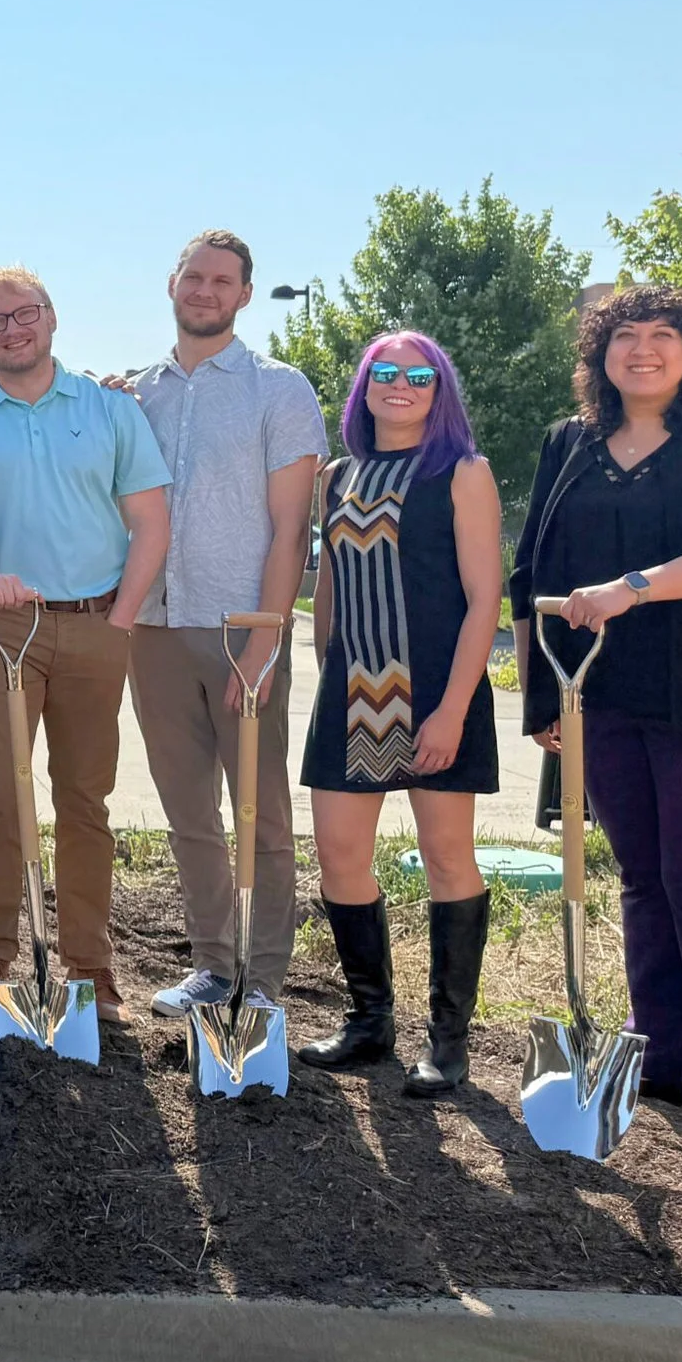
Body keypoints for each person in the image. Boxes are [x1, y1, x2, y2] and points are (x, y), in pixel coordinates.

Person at [510, 286, 682, 1144]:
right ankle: (661, 1057)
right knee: (642, 877)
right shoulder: (570, 443)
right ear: (600, 353)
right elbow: (535, 572)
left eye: (662, 335)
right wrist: (538, 698)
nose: (642, 349)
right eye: (624, 335)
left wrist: (631, 588)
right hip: (605, 692)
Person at [0, 268, 170, 1022]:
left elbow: (150, 521)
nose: (11, 330)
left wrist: (121, 618)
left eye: (23, 315)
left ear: (52, 318)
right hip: (3, 623)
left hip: (98, 620)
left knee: (85, 799)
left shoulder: (109, 411)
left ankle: (89, 962)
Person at [122, 232, 326, 1018]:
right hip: (156, 627)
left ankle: (264, 979)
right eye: (193, 276)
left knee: (261, 812)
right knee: (189, 812)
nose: (205, 290)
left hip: (243, 631)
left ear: (244, 294)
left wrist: (268, 637)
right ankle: (213, 965)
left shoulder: (280, 390)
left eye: (223, 280)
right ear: (171, 283)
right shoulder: (138, 393)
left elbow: (290, 526)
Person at [297, 333, 500, 1095]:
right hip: (353, 689)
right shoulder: (338, 474)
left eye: (421, 374)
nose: (403, 385)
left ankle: (448, 1042)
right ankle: (370, 1022)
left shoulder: (463, 472)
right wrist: (326, 663)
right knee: (341, 856)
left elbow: (486, 598)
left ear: (439, 388)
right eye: (387, 372)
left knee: (448, 855)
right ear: (365, 385)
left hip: (439, 689)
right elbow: (327, 583)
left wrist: (451, 709)